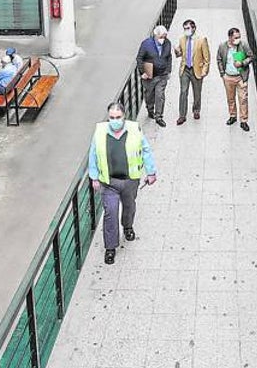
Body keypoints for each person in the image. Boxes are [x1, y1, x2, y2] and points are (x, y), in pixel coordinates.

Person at [86, 101, 157, 265]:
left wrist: (151, 172)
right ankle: (110, 248)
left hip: (130, 180)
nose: (115, 120)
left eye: (118, 117)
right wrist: (94, 177)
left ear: (124, 117)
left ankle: (127, 226)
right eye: (112, 117)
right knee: (110, 213)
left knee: (129, 207)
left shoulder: (134, 130)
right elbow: (93, 155)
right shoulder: (100, 133)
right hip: (108, 182)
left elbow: (145, 150)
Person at [216, 27, 253, 132]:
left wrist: (242, 63)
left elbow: (251, 57)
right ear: (230, 37)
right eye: (235, 37)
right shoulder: (223, 46)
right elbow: (219, 59)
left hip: (240, 77)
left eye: (239, 37)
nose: (238, 39)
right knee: (230, 98)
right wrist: (222, 74)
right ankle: (232, 116)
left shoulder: (243, 45)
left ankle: (244, 121)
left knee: (243, 99)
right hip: (228, 77)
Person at [174, 19, 210, 125]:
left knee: (197, 92)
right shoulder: (182, 39)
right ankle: (182, 115)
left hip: (196, 69)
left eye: (188, 28)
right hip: (185, 69)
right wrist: (177, 52)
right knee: (183, 91)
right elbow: (181, 54)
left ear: (194, 28)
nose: (186, 31)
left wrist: (204, 71)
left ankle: (196, 110)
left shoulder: (202, 40)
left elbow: (207, 58)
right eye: (184, 29)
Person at [136, 25, 173, 127]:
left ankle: (159, 116)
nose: (163, 39)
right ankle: (150, 109)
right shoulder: (146, 44)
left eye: (165, 37)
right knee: (149, 95)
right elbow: (139, 58)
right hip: (150, 77)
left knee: (160, 95)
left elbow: (169, 57)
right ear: (155, 35)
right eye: (161, 37)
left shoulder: (167, 43)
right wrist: (142, 72)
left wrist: (168, 70)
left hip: (162, 75)